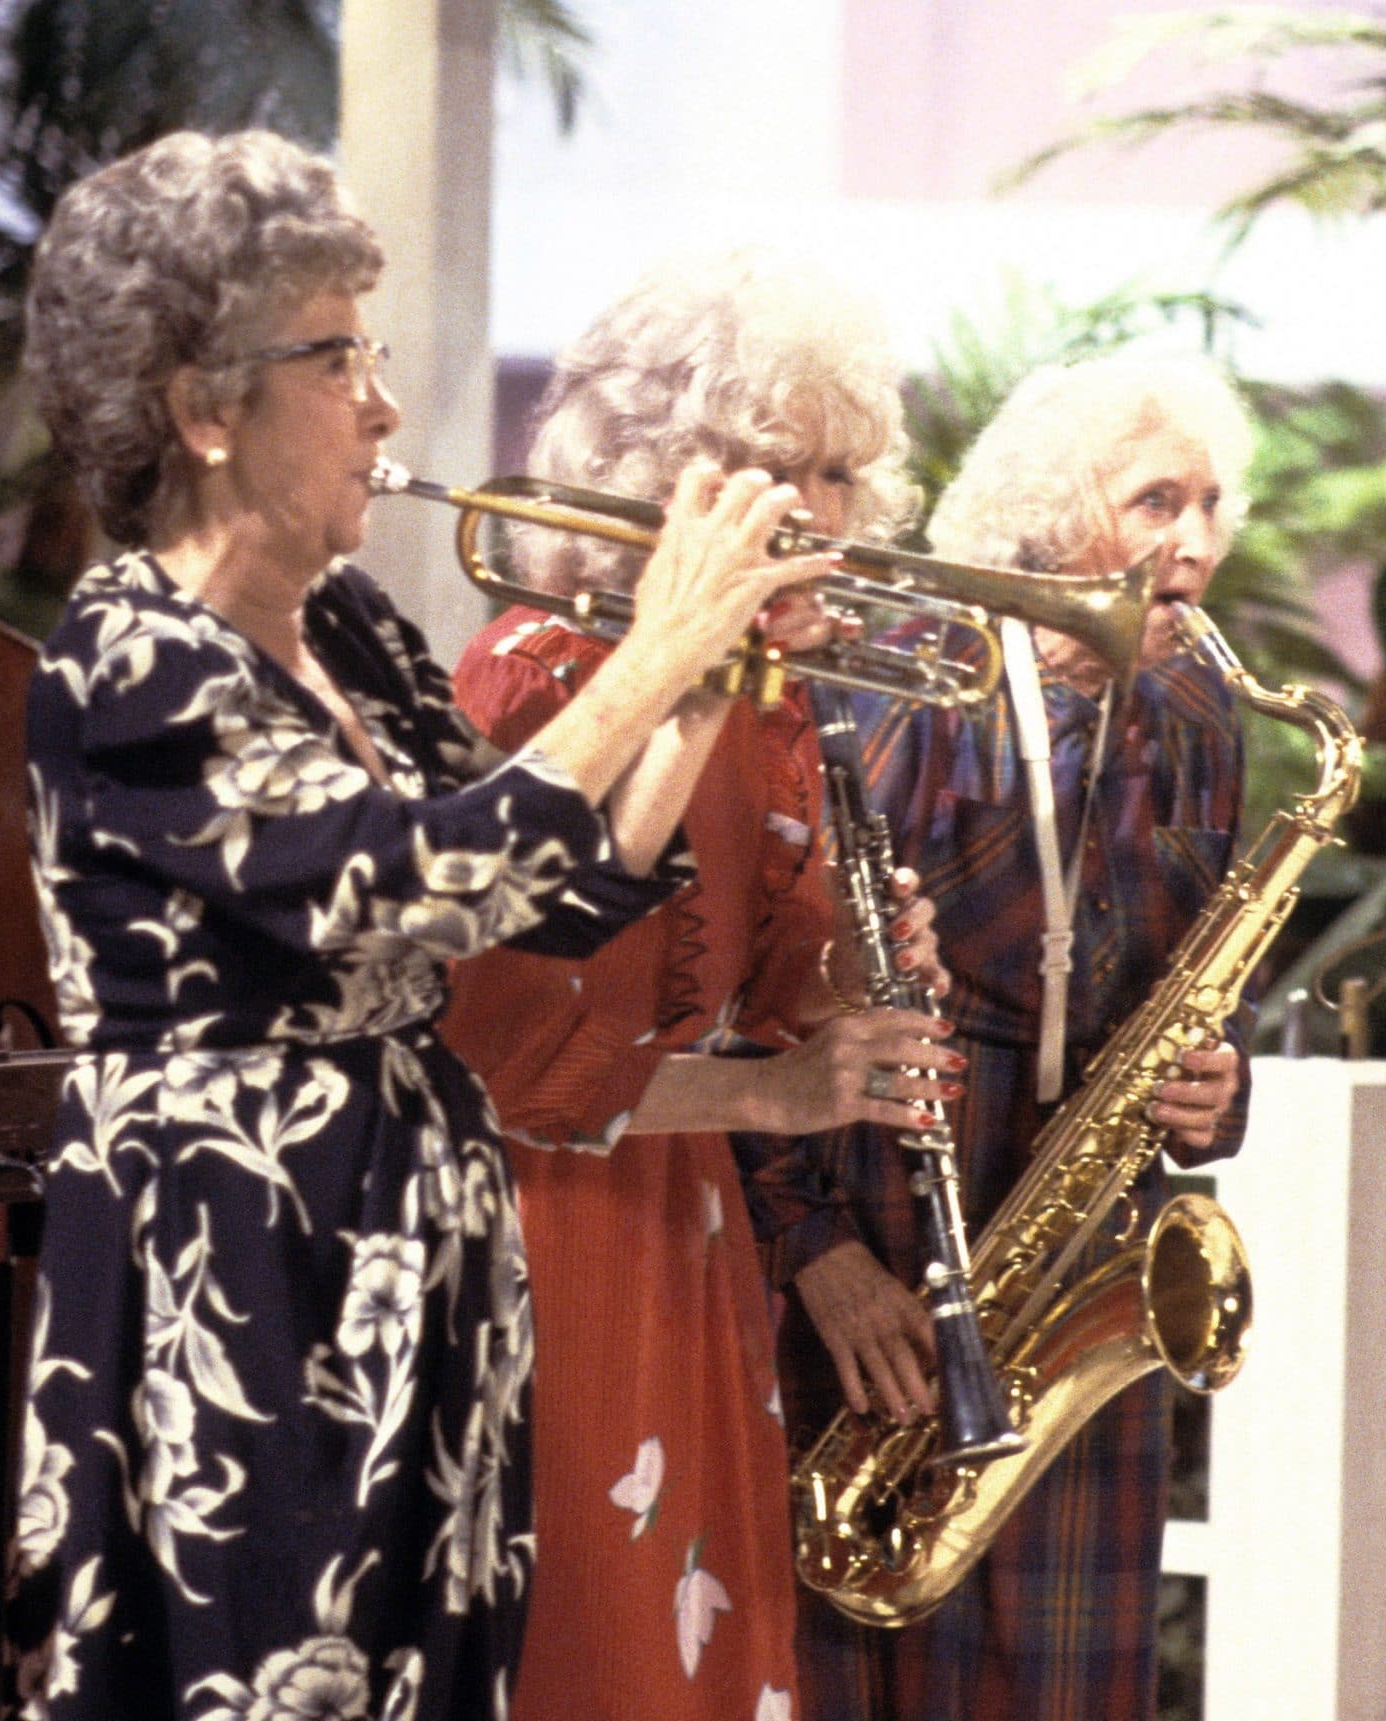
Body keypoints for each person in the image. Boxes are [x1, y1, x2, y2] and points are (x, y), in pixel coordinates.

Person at [11, 132, 821, 1719]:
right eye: (337, 357)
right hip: (241, 1280)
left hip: (414, 1261)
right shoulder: (126, 663)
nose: (385, 403)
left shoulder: (358, 633)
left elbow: (556, 887)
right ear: (200, 406)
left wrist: (708, 679)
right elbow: (428, 874)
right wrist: (651, 652)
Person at [435, 252, 959, 1721]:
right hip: (539, 1238)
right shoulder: (546, 683)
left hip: (686, 1235)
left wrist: (860, 975)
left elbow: (769, 1011)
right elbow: (507, 1063)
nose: (823, 513)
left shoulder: (781, 708)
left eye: (844, 471)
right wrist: (779, 1089)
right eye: (774, 465)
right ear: (659, 472)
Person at [766, 353, 1254, 1719]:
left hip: (1081, 1241)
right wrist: (812, 1248)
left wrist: (1226, 1078)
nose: (1199, 545)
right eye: (1159, 498)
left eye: (1215, 504)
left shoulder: (1203, 707)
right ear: (1049, 507)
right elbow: (756, 987)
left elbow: (1211, 967)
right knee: (848, 1659)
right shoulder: (892, 678)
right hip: (879, 1218)